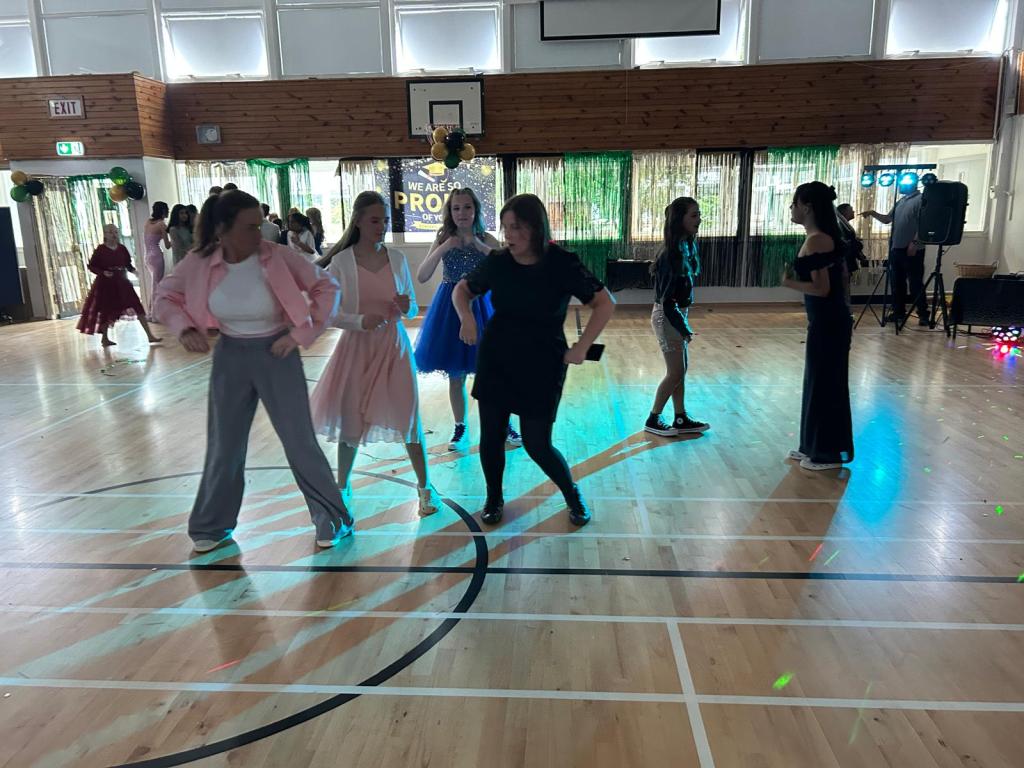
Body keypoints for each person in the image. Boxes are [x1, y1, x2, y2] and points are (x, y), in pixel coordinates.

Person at [154, 190, 352, 552]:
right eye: (249, 228)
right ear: (222, 230)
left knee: (299, 442)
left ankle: (331, 517)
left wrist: (300, 334)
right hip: (230, 356)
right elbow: (164, 296)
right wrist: (183, 328)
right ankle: (212, 525)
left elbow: (327, 287)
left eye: (259, 226)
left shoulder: (278, 256)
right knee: (224, 446)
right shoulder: (200, 262)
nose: (258, 235)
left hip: (277, 353)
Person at [452, 194, 615, 527]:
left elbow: (604, 303)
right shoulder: (498, 261)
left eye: (516, 227)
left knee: (537, 443)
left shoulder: (562, 262)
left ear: (536, 227)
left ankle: (571, 494)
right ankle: (494, 497)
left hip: (542, 361)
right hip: (498, 357)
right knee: (492, 437)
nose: (509, 235)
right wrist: (466, 318)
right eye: (505, 227)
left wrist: (582, 346)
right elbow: (462, 290)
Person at [309, 191, 441, 517]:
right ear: (358, 221)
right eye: (374, 220)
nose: (381, 226)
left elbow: (411, 307)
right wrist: (359, 321)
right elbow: (329, 314)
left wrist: (407, 307)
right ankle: (342, 487)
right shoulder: (341, 263)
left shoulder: (396, 259)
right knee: (351, 419)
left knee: (409, 417)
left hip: (394, 347)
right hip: (356, 349)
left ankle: (425, 489)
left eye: (385, 220)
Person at [414, 188, 521, 451]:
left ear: (476, 210)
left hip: (483, 305)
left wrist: (479, 246)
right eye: (456, 208)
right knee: (456, 374)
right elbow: (422, 276)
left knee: (494, 371)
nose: (462, 213)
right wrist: (444, 247)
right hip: (449, 309)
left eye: (467, 207)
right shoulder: (443, 237)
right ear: (450, 212)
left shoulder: (486, 237)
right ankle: (460, 426)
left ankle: (505, 424)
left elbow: (508, 268)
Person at [782, 181, 855, 471]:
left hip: (830, 322)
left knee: (825, 385)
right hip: (826, 321)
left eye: (794, 203)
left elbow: (822, 289)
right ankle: (811, 446)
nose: (792, 208)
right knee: (816, 382)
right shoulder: (818, 237)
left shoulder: (818, 240)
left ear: (807, 207)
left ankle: (826, 454)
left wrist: (789, 282)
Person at [644, 197, 710, 437]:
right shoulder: (671, 255)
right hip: (668, 317)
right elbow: (667, 302)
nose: (699, 219)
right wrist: (683, 328)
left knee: (680, 371)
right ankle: (653, 418)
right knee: (675, 373)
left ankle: (680, 417)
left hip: (677, 315)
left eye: (699, 214)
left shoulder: (686, 247)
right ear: (679, 220)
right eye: (694, 215)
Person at [77, 224, 161, 346]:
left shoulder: (122, 248)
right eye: (111, 232)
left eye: (116, 232)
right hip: (107, 284)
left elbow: (127, 264)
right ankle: (105, 338)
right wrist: (103, 272)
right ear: (105, 235)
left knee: (137, 306)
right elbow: (92, 266)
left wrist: (133, 271)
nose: (114, 235)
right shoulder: (100, 250)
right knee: (106, 310)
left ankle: (149, 335)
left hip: (123, 282)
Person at [861, 186, 928, 325]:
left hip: (912, 249)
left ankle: (923, 314)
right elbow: (887, 219)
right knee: (897, 283)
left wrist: (915, 242)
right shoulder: (901, 201)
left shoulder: (920, 199)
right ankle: (899, 313)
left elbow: (924, 223)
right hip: (896, 248)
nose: (900, 185)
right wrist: (872, 213)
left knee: (915, 283)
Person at [143, 202, 171, 320]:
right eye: (167, 210)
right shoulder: (161, 224)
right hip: (156, 256)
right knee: (156, 285)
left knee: (154, 284)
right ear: (163, 211)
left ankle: (151, 312)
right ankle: (153, 314)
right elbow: (167, 245)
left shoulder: (147, 222)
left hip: (147, 256)